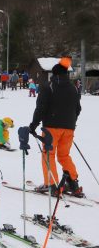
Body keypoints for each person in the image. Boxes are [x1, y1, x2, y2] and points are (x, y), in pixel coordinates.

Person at [29, 57, 83, 196]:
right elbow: (78, 109)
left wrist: (33, 125)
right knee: (64, 155)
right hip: (69, 128)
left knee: (48, 154)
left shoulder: (49, 87)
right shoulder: (73, 88)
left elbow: (41, 108)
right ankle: (73, 183)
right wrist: (70, 122)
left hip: (51, 128)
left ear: (54, 74)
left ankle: (51, 184)